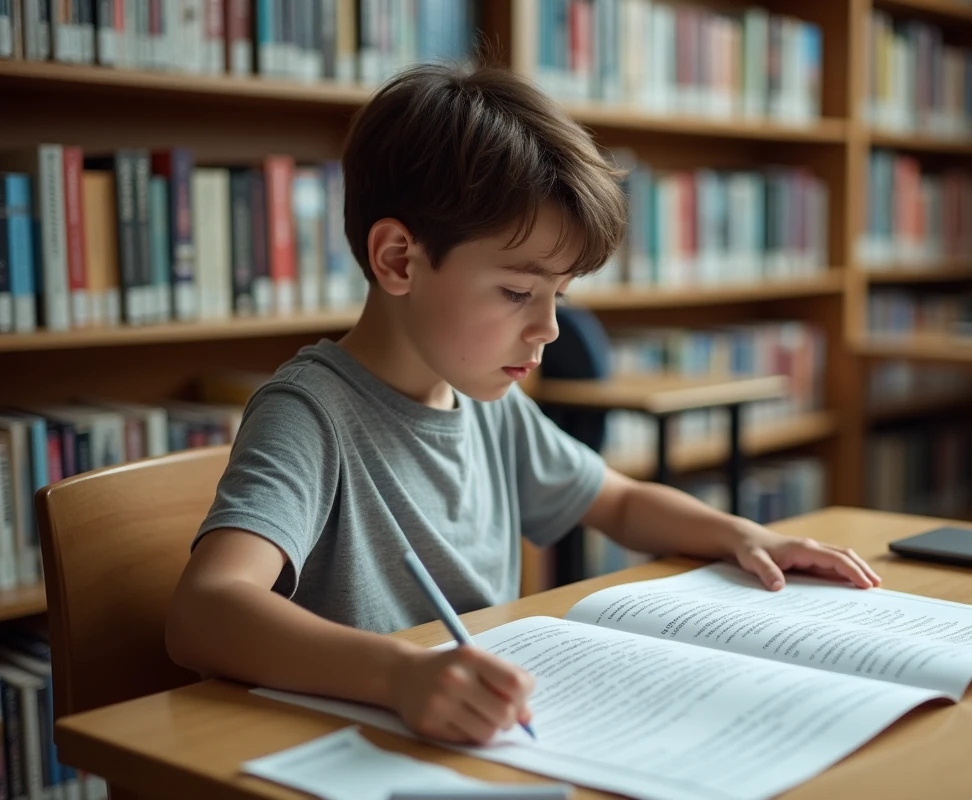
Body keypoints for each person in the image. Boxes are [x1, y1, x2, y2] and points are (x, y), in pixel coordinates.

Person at [165, 61, 882, 749]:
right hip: (357, 742)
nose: (548, 329)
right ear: (398, 260)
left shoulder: (486, 402)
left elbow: (620, 502)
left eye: (558, 296)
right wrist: (400, 675)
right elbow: (204, 613)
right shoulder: (310, 412)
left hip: (475, 734)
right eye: (517, 292)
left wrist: (740, 535)